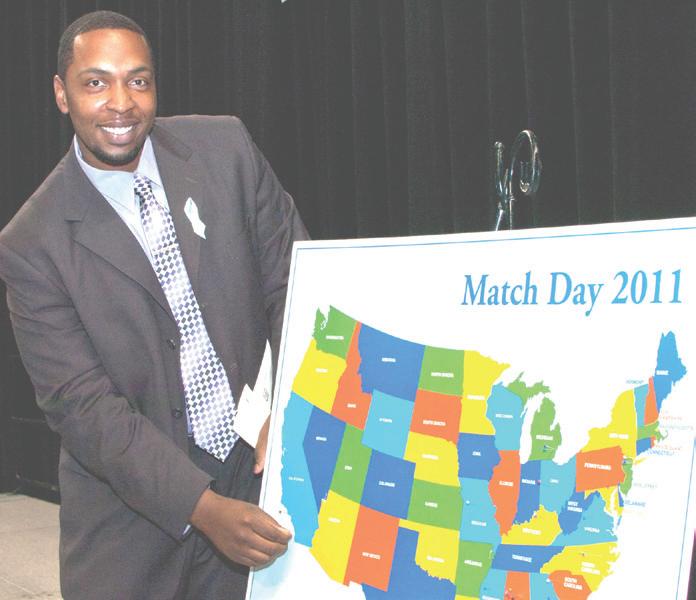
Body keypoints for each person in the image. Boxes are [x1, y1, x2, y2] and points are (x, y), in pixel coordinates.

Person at [0, 10, 308, 600]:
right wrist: (202, 507)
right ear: (62, 94)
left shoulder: (226, 150)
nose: (121, 103)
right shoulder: (32, 243)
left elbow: (293, 284)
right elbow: (83, 407)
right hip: (131, 527)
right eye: (96, 82)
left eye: (138, 81)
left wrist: (293, 405)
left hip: (259, 478)